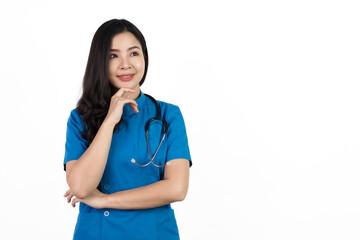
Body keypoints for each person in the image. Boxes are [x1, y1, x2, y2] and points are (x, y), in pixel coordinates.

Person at [62, 19, 192, 240]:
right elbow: (81, 187)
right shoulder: (80, 118)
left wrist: (103, 200)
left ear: (144, 58)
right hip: (97, 233)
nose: (125, 64)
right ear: (100, 62)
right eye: (113, 56)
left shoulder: (168, 115)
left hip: (154, 233)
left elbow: (176, 189)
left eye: (133, 53)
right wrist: (110, 120)